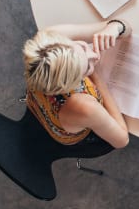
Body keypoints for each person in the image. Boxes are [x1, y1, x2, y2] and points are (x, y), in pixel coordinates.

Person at [23, 20, 130, 149]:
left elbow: (125, 26)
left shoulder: (51, 37)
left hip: (38, 102)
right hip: (73, 135)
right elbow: (122, 140)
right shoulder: (85, 106)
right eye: (87, 68)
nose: (95, 55)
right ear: (72, 85)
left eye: (83, 47)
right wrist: (97, 76)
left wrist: (115, 28)